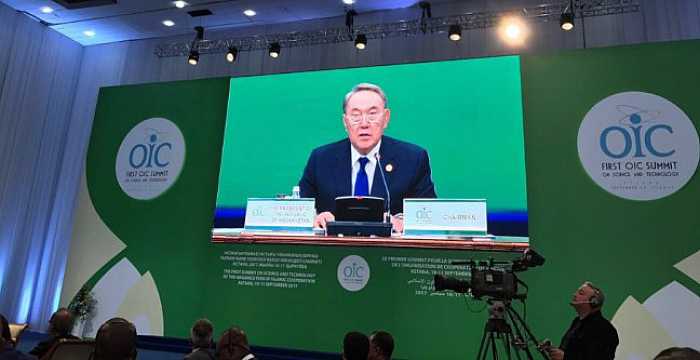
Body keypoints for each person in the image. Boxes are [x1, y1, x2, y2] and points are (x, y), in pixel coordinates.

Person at [299, 82, 437, 232]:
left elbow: (429, 213)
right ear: (345, 122)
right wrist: (316, 217)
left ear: (386, 118)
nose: (364, 124)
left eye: (372, 114)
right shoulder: (321, 159)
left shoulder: (413, 159)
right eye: (356, 116)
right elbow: (300, 209)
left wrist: (402, 221)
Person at [546, 281, 619, 360]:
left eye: (581, 293)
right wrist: (552, 350)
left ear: (594, 302)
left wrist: (565, 357)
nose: (574, 295)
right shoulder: (577, 321)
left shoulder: (606, 330)